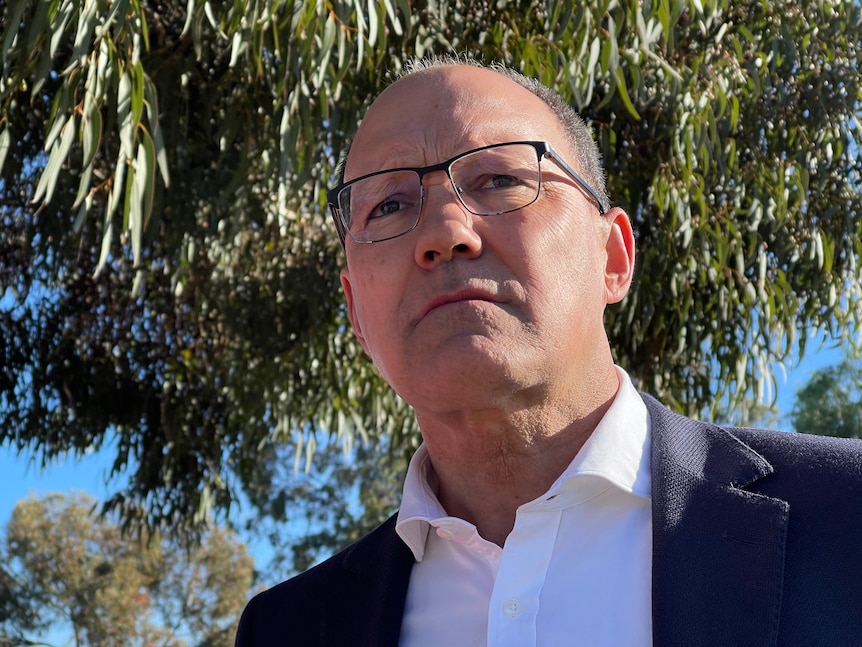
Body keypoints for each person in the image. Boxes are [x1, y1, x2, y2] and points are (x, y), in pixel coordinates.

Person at [236, 56, 862, 646]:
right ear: (356, 314)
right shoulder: (287, 628)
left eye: (500, 178)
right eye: (390, 203)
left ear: (612, 257)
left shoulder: (844, 518)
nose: (444, 233)